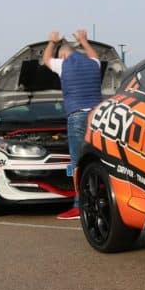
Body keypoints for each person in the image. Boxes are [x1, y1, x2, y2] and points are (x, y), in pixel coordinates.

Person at [43, 29, 102, 220]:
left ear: (63, 55)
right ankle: (100, 200)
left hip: (77, 116)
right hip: (97, 117)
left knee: (78, 163)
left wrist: (52, 42)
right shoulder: (93, 63)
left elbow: (46, 60)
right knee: (97, 160)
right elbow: (94, 55)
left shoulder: (64, 64)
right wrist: (84, 41)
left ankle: (79, 205)